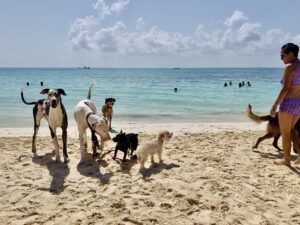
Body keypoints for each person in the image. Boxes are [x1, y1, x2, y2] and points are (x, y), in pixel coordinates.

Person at [270, 43, 300, 166]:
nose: (281, 58)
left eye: (283, 55)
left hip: (288, 104)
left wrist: (274, 105)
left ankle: (286, 160)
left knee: (285, 133)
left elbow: (285, 89)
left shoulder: (289, 67)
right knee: (292, 130)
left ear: (291, 54)